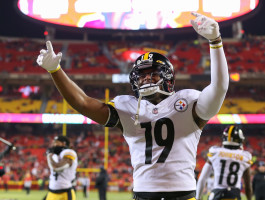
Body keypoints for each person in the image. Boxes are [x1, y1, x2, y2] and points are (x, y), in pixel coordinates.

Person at [36, 12, 229, 200]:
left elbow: (219, 88)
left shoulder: (187, 101)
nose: (146, 79)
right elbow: (84, 103)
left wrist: (215, 42)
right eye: (141, 75)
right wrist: (55, 70)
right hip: (143, 194)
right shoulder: (127, 106)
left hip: (183, 194)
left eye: (152, 73)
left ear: (167, 77)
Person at [196, 126, 252, 200]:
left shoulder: (215, 152)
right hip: (234, 195)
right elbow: (248, 186)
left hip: (217, 195)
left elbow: (202, 179)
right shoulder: (244, 156)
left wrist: (198, 198)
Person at [45, 136, 78, 200]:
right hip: (51, 192)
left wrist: (49, 156)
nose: (54, 145)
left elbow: (56, 167)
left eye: (56, 142)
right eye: (53, 143)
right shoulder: (54, 155)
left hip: (65, 193)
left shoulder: (69, 152)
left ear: (64, 143)